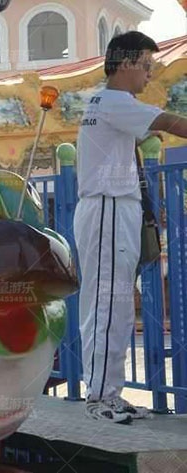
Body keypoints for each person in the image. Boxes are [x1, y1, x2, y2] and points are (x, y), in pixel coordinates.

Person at [74, 31, 187, 423]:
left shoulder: (107, 104)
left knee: (117, 306)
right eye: (145, 66)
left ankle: (109, 393)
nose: (148, 75)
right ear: (124, 64)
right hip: (106, 208)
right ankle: (99, 398)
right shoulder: (114, 101)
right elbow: (172, 121)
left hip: (113, 209)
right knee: (107, 305)